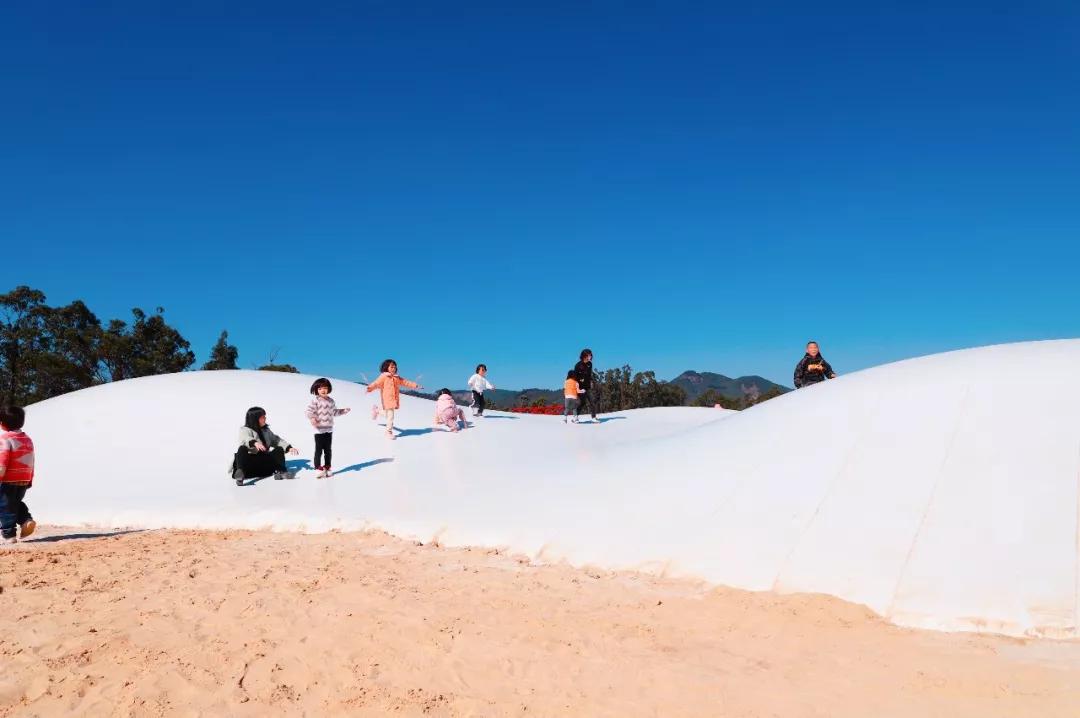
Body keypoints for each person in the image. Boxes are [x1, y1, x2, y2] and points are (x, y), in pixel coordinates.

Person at [231, 407, 298, 485]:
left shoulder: (266, 430)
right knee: (242, 449)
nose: (265, 418)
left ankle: (281, 472)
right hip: (249, 467)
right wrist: (254, 443)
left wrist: (289, 447)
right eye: (263, 417)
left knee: (279, 449)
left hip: (264, 467)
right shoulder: (245, 429)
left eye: (265, 416)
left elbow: (276, 440)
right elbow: (245, 438)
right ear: (255, 419)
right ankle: (240, 474)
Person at [0, 406, 36, 544]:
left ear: (2, 424)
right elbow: (31, 459)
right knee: (13, 503)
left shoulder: (5, 439)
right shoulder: (27, 439)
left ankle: (9, 535)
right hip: (24, 478)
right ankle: (26, 520)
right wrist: (30, 478)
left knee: (4, 506)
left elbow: (2, 462)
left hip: (7, 479)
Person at [305, 378, 350, 479]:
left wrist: (343, 411)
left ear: (329, 389)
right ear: (316, 389)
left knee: (328, 450)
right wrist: (312, 418)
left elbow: (334, 412)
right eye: (320, 388)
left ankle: (327, 467)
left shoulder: (331, 401)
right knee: (318, 450)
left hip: (329, 430)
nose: (323, 390)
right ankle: (318, 469)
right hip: (318, 430)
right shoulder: (315, 401)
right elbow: (308, 411)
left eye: (325, 388)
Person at [367, 359, 421, 439]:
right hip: (387, 399)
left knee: (388, 415)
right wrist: (370, 388)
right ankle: (388, 432)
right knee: (390, 416)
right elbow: (376, 383)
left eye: (395, 367)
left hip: (394, 399)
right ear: (386, 367)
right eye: (392, 367)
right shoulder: (384, 376)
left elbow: (405, 382)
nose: (394, 369)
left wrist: (415, 385)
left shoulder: (397, 377)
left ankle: (377, 411)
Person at [573, 348, 599, 422]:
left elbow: (589, 375)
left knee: (592, 401)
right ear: (584, 355)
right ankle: (575, 417)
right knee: (582, 402)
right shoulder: (578, 365)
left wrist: (591, 382)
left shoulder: (590, 364)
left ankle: (593, 417)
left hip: (587, 387)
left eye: (591, 355)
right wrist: (577, 386)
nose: (590, 356)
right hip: (580, 387)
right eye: (589, 355)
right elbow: (575, 377)